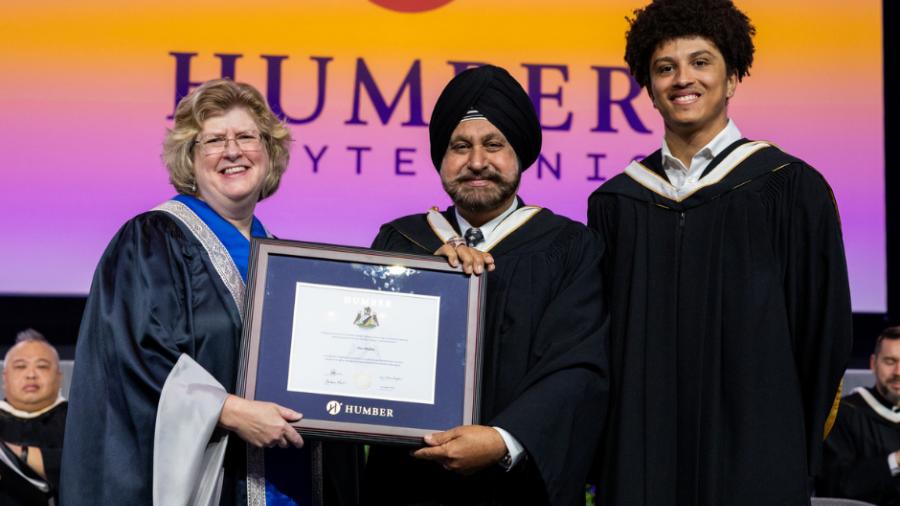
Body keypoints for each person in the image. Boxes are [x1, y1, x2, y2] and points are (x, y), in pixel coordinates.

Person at [586, 1, 853, 504]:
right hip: (642, 456)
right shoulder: (616, 204)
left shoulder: (790, 188)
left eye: (701, 62)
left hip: (754, 453)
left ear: (732, 78)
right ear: (650, 88)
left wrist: (783, 442)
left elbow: (821, 333)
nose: (682, 79)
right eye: (665, 68)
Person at [60, 79, 357, 505]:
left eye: (246, 137)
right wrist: (229, 411)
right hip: (207, 484)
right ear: (190, 158)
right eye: (215, 140)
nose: (233, 151)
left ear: (269, 152)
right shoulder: (151, 241)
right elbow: (132, 359)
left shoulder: (284, 262)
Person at [362, 64, 609, 506]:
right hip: (407, 485)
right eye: (461, 146)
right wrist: (422, 279)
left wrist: (503, 439)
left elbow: (577, 368)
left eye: (494, 144)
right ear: (442, 157)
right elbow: (364, 351)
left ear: (520, 154)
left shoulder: (570, 248)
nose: (477, 162)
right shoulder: (401, 242)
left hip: (517, 491)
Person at [818, 327, 900, 505]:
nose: (898, 372)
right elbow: (834, 488)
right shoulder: (844, 414)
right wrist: (894, 462)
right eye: (890, 361)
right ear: (873, 363)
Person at [0, 329, 67, 506]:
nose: (31, 375)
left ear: (59, 377)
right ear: (4, 377)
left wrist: (15, 455)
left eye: (42, 366)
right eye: (20, 366)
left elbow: (88, 465)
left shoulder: (79, 420)